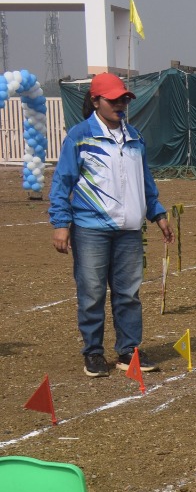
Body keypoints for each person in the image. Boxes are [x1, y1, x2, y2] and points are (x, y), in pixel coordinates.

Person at [49, 73, 173, 378]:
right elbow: (62, 181)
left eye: (124, 100)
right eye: (113, 100)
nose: (120, 105)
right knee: (92, 292)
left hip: (129, 229)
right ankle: (93, 352)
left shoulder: (135, 137)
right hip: (90, 228)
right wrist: (61, 223)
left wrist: (157, 214)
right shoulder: (79, 136)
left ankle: (128, 351)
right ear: (95, 100)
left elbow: (144, 182)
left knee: (128, 293)